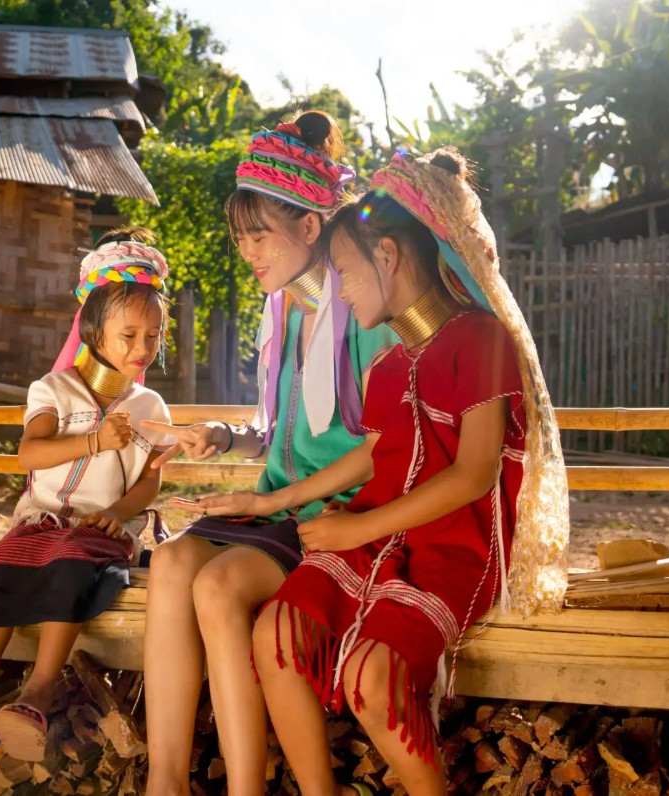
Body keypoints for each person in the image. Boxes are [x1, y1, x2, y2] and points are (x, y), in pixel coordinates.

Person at [242, 148, 568, 796]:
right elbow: (373, 454)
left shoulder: (481, 340)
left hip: (453, 550)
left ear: (386, 255)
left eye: (346, 272)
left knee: (373, 677)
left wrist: (357, 531)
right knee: (276, 631)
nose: (341, 291)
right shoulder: (389, 366)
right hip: (375, 536)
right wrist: (271, 503)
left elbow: (474, 475)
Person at [142, 111, 398, 796]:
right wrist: (227, 437)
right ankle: (163, 782)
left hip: (337, 512)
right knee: (170, 562)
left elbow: (382, 452)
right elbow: (281, 430)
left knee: (218, 586)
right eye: (241, 238)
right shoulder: (281, 309)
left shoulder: (367, 315)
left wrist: (274, 500)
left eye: (260, 236)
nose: (247, 252)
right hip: (278, 505)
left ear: (310, 227)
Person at [0, 227, 174, 763]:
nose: (142, 349)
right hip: (41, 520)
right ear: (93, 331)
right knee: (1, 569)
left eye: (153, 336)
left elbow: (151, 480)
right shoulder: (53, 389)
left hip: (100, 529)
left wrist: (119, 513)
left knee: (73, 563)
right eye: (128, 335)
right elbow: (30, 455)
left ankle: (39, 690)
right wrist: (95, 439)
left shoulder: (150, 406)